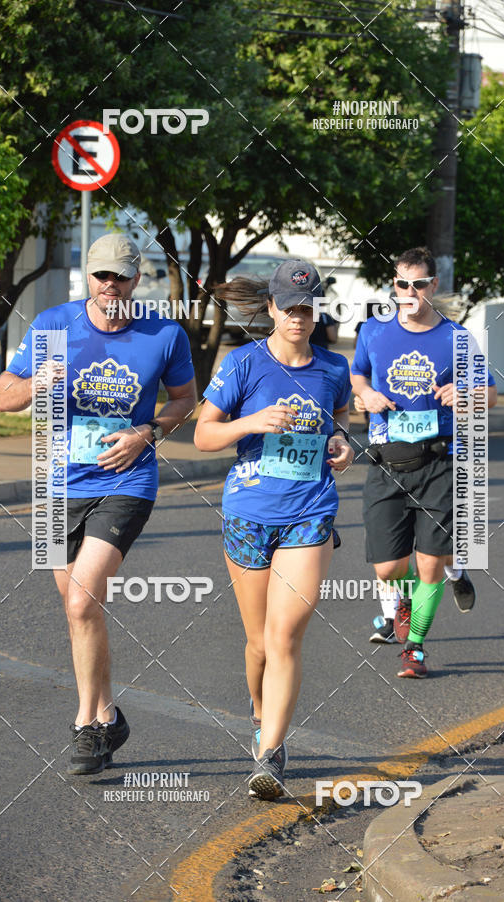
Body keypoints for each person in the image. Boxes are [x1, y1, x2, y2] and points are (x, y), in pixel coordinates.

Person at [0, 233, 196, 773]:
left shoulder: (163, 334)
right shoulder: (53, 325)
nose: (111, 286)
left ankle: (86, 725)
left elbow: (186, 400)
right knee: (79, 610)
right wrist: (40, 380)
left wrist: (147, 433)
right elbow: (3, 396)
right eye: (102, 276)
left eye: (121, 277)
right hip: (54, 483)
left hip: (126, 483)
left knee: (84, 601)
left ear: (137, 278)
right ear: (89, 276)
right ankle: (109, 715)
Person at [194, 260, 353, 799]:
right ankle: (262, 719)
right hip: (248, 514)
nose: (299, 318)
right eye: (289, 309)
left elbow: (341, 422)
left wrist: (342, 446)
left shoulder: (333, 368)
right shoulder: (244, 363)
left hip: (310, 512)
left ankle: (269, 754)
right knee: (259, 642)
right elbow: (204, 436)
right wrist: (253, 423)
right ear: (271, 309)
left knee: (286, 636)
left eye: (308, 309)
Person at [351, 246, 497, 678]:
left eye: (418, 284)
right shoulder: (372, 333)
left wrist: (464, 395)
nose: (409, 292)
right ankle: (411, 597)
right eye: (402, 284)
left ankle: (414, 647)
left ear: (433, 286)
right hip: (386, 463)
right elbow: (357, 373)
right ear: (393, 286)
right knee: (389, 567)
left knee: (428, 565)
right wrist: (365, 394)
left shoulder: (457, 338)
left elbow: (489, 395)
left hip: (440, 462)